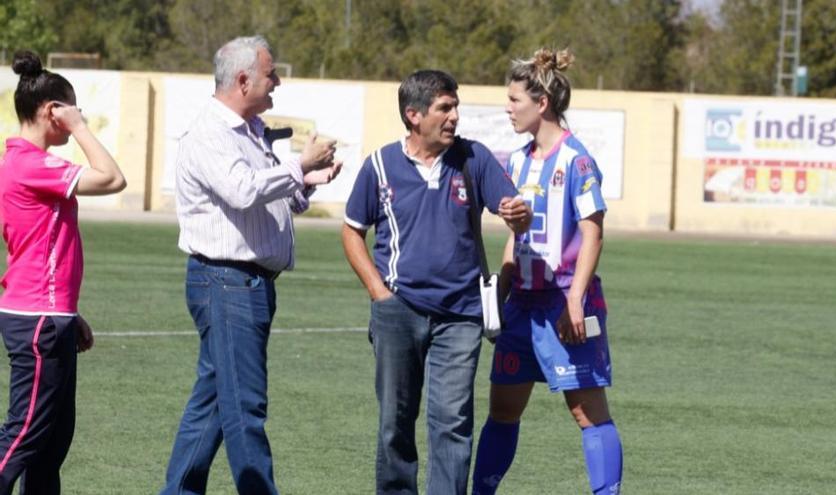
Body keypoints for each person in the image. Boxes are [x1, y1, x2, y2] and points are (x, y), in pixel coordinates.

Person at [160, 35, 341, 495]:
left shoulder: (248, 129)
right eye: (270, 74)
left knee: (215, 405)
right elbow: (243, 190)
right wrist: (299, 165)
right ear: (243, 80)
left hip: (243, 283)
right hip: (227, 282)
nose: (277, 81)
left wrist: (308, 181)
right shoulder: (211, 132)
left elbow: (267, 199)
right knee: (244, 409)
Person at [342, 69, 532, 495]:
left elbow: (515, 209)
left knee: (452, 422)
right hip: (398, 311)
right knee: (395, 420)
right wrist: (380, 294)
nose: (454, 116)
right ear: (414, 115)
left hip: (461, 316)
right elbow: (352, 230)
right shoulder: (379, 166)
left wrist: (519, 216)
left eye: (455, 107)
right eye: (444, 108)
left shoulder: (474, 158)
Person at [471, 49, 623, 495]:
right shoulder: (516, 162)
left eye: (514, 98)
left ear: (542, 103)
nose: (507, 107)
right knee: (503, 408)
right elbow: (515, 236)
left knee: (586, 413)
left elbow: (593, 233)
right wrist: (500, 288)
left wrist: (575, 297)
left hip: (564, 304)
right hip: (522, 305)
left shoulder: (576, 160)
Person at [0, 50, 127, 494]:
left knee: (50, 444)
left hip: (49, 315)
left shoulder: (25, 164)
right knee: (22, 436)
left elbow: (40, 247)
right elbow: (112, 178)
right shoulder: (30, 164)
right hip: (37, 320)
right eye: (71, 110)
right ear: (52, 111)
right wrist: (80, 128)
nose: (78, 120)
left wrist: (71, 313)